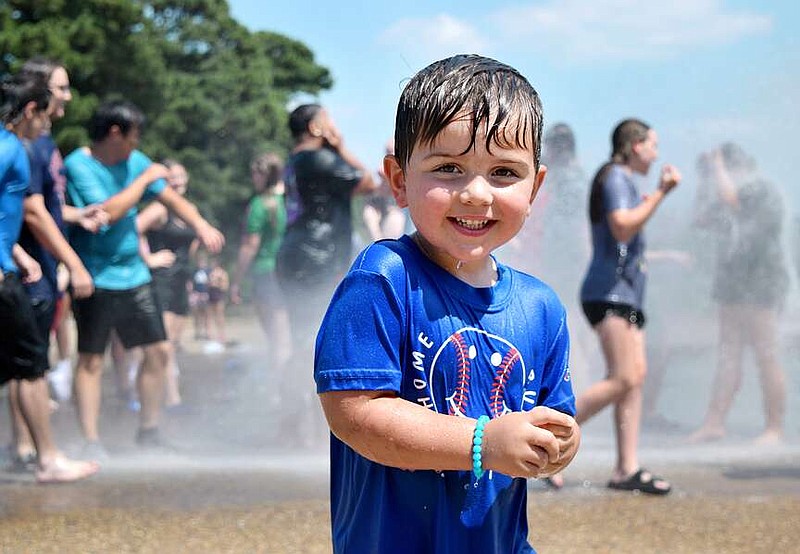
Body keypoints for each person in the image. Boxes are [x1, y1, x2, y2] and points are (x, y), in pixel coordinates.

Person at [314, 54, 580, 553]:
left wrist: (558, 446)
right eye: (449, 169)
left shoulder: (541, 308)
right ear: (398, 180)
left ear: (536, 187)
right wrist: (483, 444)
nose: (477, 194)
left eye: (504, 172)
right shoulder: (385, 279)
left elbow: (554, 420)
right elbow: (353, 415)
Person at [65, 99, 224, 455]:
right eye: (135, 136)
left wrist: (201, 224)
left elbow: (171, 199)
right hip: (96, 276)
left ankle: (149, 431)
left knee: (159, 352)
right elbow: (108, 212)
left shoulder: (134, 163)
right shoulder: (79, 164)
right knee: (91, 358)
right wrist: (145, 180)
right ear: (115, 133)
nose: (139, 145)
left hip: (134, 276)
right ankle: (91, 441)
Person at [552, 118, 680, 495]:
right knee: (623, 377)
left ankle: (627, 468)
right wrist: (661, 193)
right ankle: (549, 435)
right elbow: (622, 226)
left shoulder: (620, 180)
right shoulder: (615, 177)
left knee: (633, 378)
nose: (656, 155)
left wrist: (666, 255)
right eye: (653, 146)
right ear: (636, 145)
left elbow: (622, 244)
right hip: (608, 294)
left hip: (624, 295)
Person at [0, 72, 99, 483]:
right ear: (29, 111)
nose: (48, 125)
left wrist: (17, 252)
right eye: (44, 116)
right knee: (32, 367)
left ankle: (42, 455)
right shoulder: (11, 148)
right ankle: (49, 459)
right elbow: (31, 211)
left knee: (24, 366)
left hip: (11, 266)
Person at [275, 103, 376, 444]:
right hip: (316, 257)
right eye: (329, 120)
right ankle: (308, 424)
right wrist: (340, 146)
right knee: (316, 339)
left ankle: (298, 421)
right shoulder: (319, 158)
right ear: (316, 127)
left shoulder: (296, 159)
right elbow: (368, 182)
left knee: (304, 336)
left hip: (296, 254)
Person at [689, 143, 789, 444]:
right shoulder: (728, 189)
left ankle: (775, 427)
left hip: (761, 284)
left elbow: (733, 201)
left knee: (766, 354)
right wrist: (706, 179)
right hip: (733, 285)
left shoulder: (759, 188)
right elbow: (701, 219)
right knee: (727, 355)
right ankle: (714, 422)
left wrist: (717, 165)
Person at [137, 159, 198, 409]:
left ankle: (168, 396)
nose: (178, 181)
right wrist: (148, 259)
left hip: (182, 280)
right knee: (163, 346)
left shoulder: (188, 208)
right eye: (172, 177)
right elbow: (134, 228)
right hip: (162, 280)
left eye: (182, 176)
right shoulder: (160, 209)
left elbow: (192, 241)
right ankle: (170, 397)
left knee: (173, 343)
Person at [231, 152, 291, 368]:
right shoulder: (287, 202)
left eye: (256, 174)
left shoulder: (259, 204)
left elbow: (250, 245)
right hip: (287, 272)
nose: (253, 178)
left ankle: (277, 391)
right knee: (285, 334)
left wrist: (236, 280)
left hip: (265, 272)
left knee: (276, 337)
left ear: (266, 175)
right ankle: (285, 386)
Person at [361, 138, 407, 241]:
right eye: (388, 151)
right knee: (370, 216)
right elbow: (380, 172)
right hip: (378, 205)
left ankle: (385, 247)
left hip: (395, 208)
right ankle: (378, 244)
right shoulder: (386, 167)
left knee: (395, 221)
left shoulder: (405, 169)